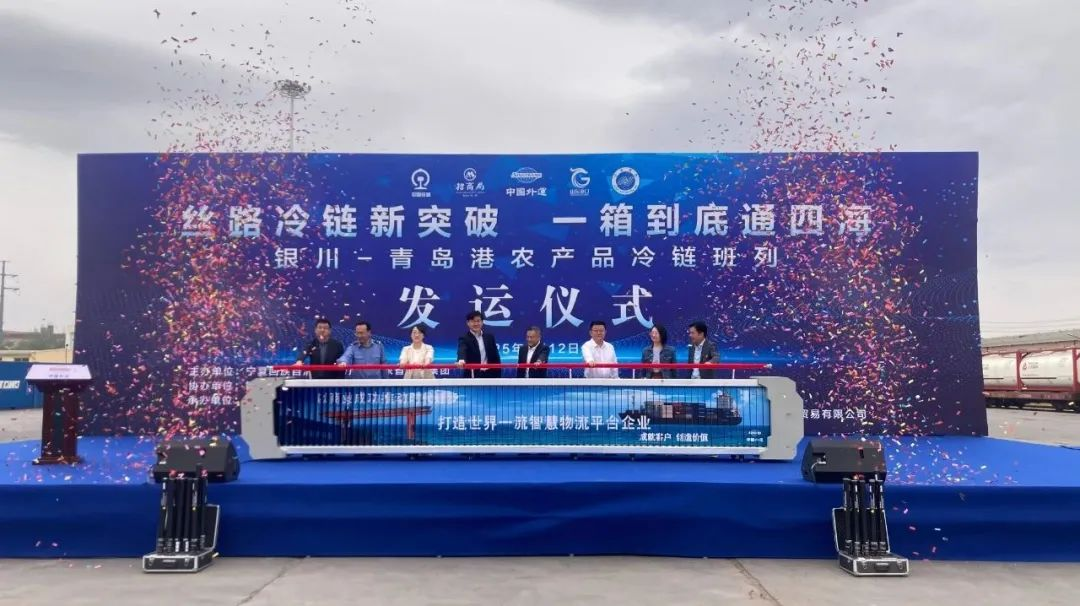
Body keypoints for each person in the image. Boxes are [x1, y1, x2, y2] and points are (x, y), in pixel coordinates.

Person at [456, 311, 501, 378]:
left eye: (478, 321)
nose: (476, 324)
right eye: (472, 321)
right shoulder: (464, 338)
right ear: (468, 323)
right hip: (473, 374)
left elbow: (496, 356)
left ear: (482, 322)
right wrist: (461, 360)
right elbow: (462, 350)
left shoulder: (489, 337)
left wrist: (498, 374)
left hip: (491, 374)